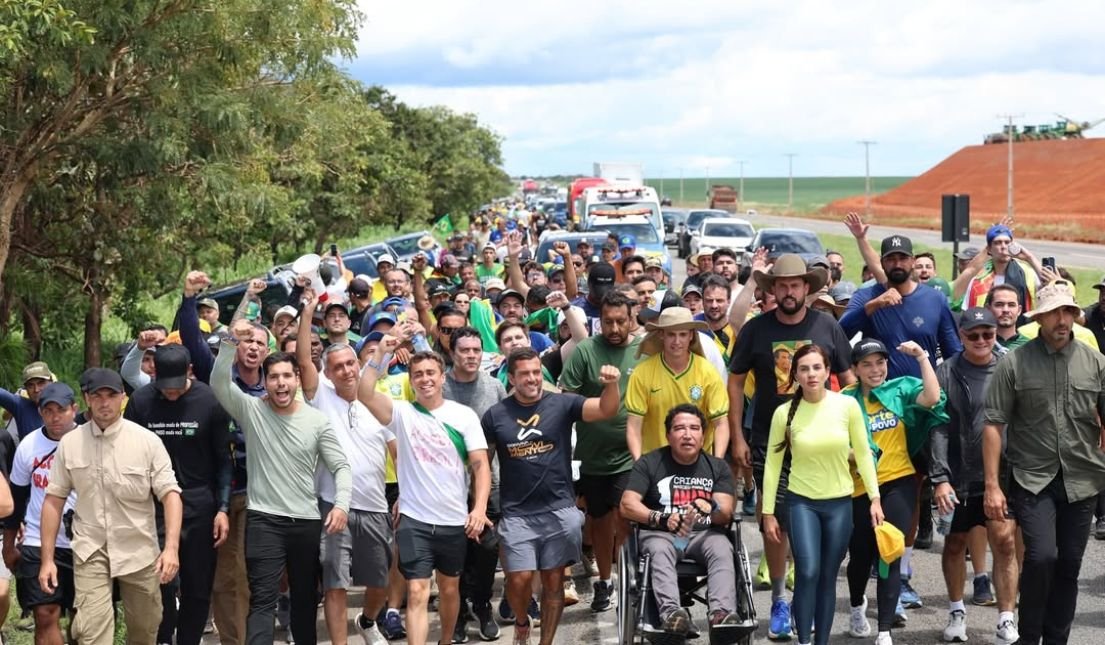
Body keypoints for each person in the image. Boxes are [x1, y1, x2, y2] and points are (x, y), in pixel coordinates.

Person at [727, 254, 855, 641]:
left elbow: (848, 381)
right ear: (772, 291)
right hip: (771, 442)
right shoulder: (756, 330)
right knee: (775, 523)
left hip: (821, 445)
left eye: (795, 285)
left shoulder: (827, 325)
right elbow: (734, 383)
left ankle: (808, 599)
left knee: (812, 526)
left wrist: (851, 434)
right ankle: (781, 600)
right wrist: (737, 435)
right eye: (781, 286)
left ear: (807, 288)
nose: (788, 292)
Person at [211, 323, 352, 645]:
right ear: (265, 382)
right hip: (263, 520)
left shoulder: (316, 420)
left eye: (287, 376)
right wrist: (231, 341)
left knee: (304, 598)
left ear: (297, 380)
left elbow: (341, 465)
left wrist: (342, 504)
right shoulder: (251, 410)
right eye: (273, 377)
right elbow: (219, 382)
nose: (280, 383)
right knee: (262, 599)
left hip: (305, 522)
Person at [982, 282, 1105, 645]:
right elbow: (993, 424)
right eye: (1054, 313)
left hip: (1082, 478)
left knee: (1069, 565)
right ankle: (1029, 635)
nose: (1062, 320)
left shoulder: (1095, 362)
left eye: (1068, 312)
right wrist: (992, 486)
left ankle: (1056, 639)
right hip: (1032, 477)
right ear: (1039, 319)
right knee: (1041, 557)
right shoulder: (1014, 362)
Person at [357, 330, 493, 645]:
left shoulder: (463, 416)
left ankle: (445, 640)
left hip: (452, 519)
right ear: (411, 379)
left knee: (448, 589)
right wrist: (382, 353)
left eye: (430, 373)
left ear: (442, 376)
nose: (425, 379)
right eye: (417, 374)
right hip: (414, 520)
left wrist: (479, 508)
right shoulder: (401, 413)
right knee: (417, 590)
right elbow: (364, 393)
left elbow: (480, 466)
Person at [482, 348, 620, 645]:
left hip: (558, 509)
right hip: (517, 513)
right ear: (512, 376)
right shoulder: (496, 415)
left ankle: (545, 642)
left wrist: (611, 385)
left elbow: (606, 409)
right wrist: (479, 504)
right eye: (524, 374)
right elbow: (482, 464)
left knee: (554, 582)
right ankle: (522, 622)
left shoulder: (562, 404)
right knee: (518, 581)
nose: (532, 379)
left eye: (535, 372)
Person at [40, 368, 181, 645]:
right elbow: (53, 500)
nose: (105, 402)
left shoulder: (147, 442)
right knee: (92, 633)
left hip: (139, 551)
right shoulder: (70, 443)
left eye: (111, 395)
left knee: (145, 629)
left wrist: (171, 548)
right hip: (90, 551)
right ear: (87, 399)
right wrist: (47, 560)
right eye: (98, 396)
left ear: (123, 398)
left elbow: (171, 495)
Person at [762, 345, 883, 645]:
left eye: (817, 367)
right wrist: (767, 513)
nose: (811, 374)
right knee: (808, 571)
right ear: (796, 375)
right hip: (801, 501)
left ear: (828, 371)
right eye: (804, 369)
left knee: (828, 577)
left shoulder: (847, 406)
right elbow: (772, 465)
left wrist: (875, 497)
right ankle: (804, 640)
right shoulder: (784, 413)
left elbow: (865, 455)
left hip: (840, 502)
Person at [293, 293, 394, 645]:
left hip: (375, 505)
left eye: (351, 364)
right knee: (335, 582)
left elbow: (399, 450)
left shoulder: (378, 401)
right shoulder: (320, 396)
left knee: (380, 581)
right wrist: (308, 313)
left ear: (359, 364)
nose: (347, 371)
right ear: (328, 373)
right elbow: (303, 358)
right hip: (332, 505)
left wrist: (408, 493)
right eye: (338, 367)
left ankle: (367, 622)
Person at [123, 345, 232, 645]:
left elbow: (224, 459)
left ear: (189, 372)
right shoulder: (141, 401)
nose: (170, 394)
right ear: (153, 374)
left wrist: (222, 508)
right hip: (153, 506)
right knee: (159, 583)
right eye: (164, 387)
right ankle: (162, 637)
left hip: (199, 503)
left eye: (176, 388)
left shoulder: (209, 400)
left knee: (198, 588)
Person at [844, 339, 946, 645]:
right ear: (855, 369)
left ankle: (884, 631)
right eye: (867, 364)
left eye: (880, 362)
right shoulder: (844, 400)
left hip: (898, 481)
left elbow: (933, 396)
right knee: (861, 556)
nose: (875, 370)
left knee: (889, 552)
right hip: (859, 488)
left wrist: (922, 357)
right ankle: (856, 604)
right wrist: (852, 453)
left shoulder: (899, 389)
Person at [928, 307, 1020, 644]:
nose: (981, 340)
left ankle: (1006, 618)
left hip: (1002, 475)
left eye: (988, 333)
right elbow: (936, 427)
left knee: (1005, 542)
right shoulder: (946, 372)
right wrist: (940, 478)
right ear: (962, 336)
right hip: (957, 476)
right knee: (954, 544)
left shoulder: (1010, 369)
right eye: (973, 335)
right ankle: (956, 610)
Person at [620, 404, 742, 635]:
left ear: (703, 435)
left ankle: (722, 614)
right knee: (658, 548)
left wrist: (710, 506)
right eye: (680, 428)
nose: (687, 434)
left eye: (694, 428)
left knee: (723, 548)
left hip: (702, 535)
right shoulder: (649, 462)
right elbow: (627, 504)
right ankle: (672, 615)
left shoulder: (717, 467)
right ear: (668, 435)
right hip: (662, 534)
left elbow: (726, 510)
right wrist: (658, 517)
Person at [559, 290, 641, 614]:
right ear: (599, 321)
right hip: (593, 457)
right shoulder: (586, 352)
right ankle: (604, 581)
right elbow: (566, 401)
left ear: (631, 318)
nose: (615, 328)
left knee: (625, 514)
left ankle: (626, 578)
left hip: (631, 454)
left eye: (621, 321)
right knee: (601, 521)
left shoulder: (643, 351)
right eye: (608, 322)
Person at [443, 327, 508, 643]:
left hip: (489, 482)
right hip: (447, 486)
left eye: (476, 350)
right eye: (464, 350)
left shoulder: (495, 386)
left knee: (487, 549)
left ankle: (481, 604)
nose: (471, 356)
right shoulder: (438, 386)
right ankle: (455, 614)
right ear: (452, 352)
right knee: (454, 551)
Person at [4, 383, 77, 645]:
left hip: (84, 541)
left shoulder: (90, 441)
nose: (55, 417)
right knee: (45, 613)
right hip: (37, 539)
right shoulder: (29, 445)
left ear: (74, 410)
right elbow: (17, 497)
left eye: (62, 410)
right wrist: (9, 544)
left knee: (83, 621)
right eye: (48, 411)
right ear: (40, 412)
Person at [839, 234, 962, 379]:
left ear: (913, 262)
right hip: (879, 394)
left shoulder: (935, 299)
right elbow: (840, 333)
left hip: (922, 394)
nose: (897, 265)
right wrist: (875, 304)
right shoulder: (866, 296)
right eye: (891, 259)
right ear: (882, 262)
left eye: (903, 258)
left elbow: (953, 353)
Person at [625, 307, 729, 460]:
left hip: (698, 464)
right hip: (655, 463)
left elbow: (720, 423)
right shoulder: (642, 373)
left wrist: (717, 464)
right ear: (661, 335)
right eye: (671, 334)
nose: (677, 341)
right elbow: (634, 425)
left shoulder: (707, 372)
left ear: (691, 336)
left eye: (683, 334)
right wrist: (640, 464)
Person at [958, 224, 1043, 313]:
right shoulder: (978, 279)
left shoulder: (1027, 273)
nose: (1003, 246)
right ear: (989, 249)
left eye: (1007, 242)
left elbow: (1051, 286)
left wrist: (1030, 258)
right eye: (998, 243)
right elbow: (968, 313)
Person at [0, 361, 54, 440]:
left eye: (41, 383)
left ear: (51, 382)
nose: (36, 390)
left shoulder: (66, 408)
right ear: (26, 389)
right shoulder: (21, 406)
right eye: (30, 385)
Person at [986, 284, 1029, 353]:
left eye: (1011, 305)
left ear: (1019, 310)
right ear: (988, 309)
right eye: (999, 305)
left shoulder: (1030, 347)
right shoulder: (979, 345)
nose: (1006, 310)